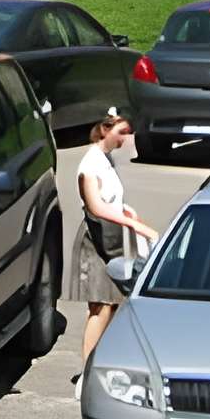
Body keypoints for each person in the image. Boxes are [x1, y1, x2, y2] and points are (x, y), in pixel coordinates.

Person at [74, 107, 160, 361]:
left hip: (111, 238)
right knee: (100, 307)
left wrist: (128, 214)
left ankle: (100, 360)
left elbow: (110, 200)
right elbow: (96, 206)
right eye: (121, 132)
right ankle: (88, 367)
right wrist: (134, 226)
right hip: (97, 239)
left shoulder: (106, 159)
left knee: (112, 304)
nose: (125, 139)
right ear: (104, 129)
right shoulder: (89, 165)